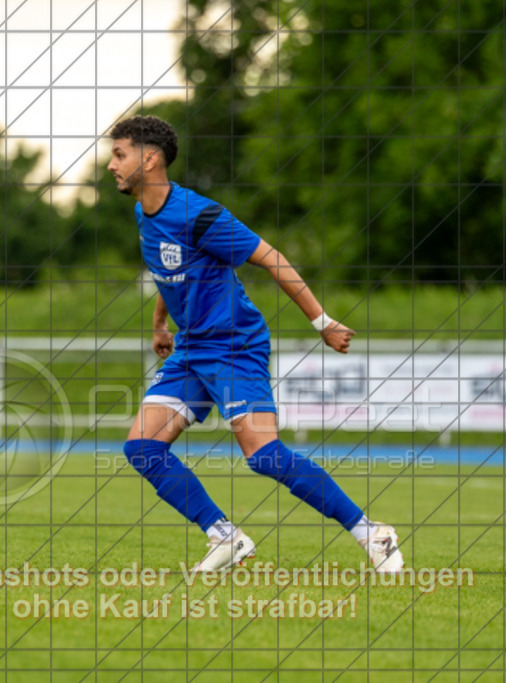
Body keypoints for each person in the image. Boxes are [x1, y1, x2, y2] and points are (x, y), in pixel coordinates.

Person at [107, 116, 403, 573]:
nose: (111, 164)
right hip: (191, 349)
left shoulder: (200, 214)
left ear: (149, 159)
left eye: (119, 154)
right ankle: (225, 537)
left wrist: (322, 321)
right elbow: (168, 273)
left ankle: (373, 534)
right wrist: (160, 325)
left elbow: (273, 259)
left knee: (264, 457)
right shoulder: (142, 213)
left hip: (232, 345)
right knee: (142, 449)